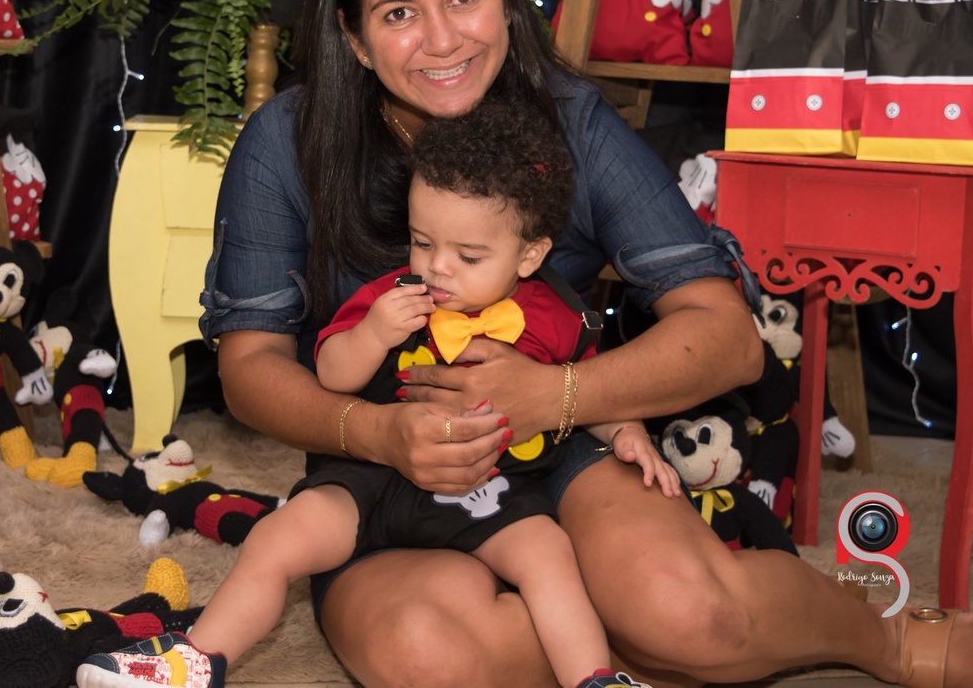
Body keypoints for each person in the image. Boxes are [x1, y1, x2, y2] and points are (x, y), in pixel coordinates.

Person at [192, 0, 973, 686]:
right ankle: (640, 649)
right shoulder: (286, 143)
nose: (443, 39)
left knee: (691, 612)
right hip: (375, 480)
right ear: (352, 36)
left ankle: (882, 638)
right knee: (431, 654)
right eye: (399, 12)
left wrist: (554, 396)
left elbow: (729, 339)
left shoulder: (573, 124)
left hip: (559, 455)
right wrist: (377, 433)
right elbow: (249, 369)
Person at [78, 102, 681, 688]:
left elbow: (588, 388)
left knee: (551, 554)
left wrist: (626, 432)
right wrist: (372, 333)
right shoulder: (392, 296)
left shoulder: (554, 317)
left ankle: (596, 678)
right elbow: (332, 375)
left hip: (491, 490)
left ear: (531, 254)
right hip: (372, 478)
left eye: (469, 255)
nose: (438, 268)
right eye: (423, 242)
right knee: (277, 537)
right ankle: (197, 660)